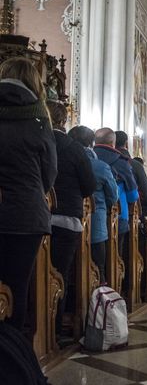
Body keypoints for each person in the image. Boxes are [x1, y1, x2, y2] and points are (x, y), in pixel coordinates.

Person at [0, 57, 57, 330]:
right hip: (25, 214)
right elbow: (49, 173)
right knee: (17, 287)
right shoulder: (39, 120)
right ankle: (12, 350)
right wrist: (32, 191)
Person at [48, 101, 96, 337]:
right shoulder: (74, 149)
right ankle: (54, 330)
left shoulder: (35, 140)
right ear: (63, 121)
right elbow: (89, 186)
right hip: (66, 220)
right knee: (60, 274)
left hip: (35, 218)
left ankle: (27, 330)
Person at [68, 126, 118, 285]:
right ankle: (100, 294)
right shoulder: (101, 166)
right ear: (91, 144)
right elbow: (113, 196)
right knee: (98, 267)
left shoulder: (62, 161)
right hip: (96, 225)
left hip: (68, 222)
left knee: (69, 269)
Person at [94, 128, 139, 263]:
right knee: (115, 258)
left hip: (91, 217)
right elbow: (132, 196)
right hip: (118, 218)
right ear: (112, 143)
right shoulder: (121, 162)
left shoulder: (88, 158)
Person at [115, 131, 147, 203]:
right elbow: (146, 194)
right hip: (130, 205)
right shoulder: (135, 165)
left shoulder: (104, 163)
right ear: (127, 144)